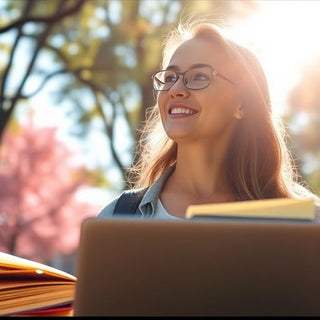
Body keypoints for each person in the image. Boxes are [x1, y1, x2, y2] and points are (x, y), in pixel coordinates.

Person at [98, 18, 320, 220]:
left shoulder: (305, 220)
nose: (176, 89)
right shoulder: (117, 215)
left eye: (200, 76)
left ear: (241, 105)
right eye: (170, 77)